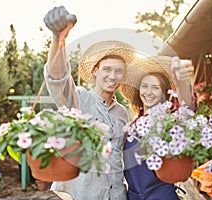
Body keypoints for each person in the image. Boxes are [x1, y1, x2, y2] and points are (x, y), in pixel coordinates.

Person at [43, 6, 136, 200]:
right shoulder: (78, 100)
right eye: (107, 69)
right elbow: (57, 78)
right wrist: (58, 39)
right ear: (95, 71)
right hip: (81, 195)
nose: (113, 76)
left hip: (117, 194)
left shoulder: (123, 113)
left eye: (119, 71)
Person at [120, 56, 194, 200]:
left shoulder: (170, 122)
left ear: (164, 93)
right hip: (133, 196)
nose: (148, 92)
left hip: (161, 196)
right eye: (145, 86)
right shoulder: (134, 124)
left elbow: (187, 107)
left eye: (155, 87)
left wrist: (183, 82)